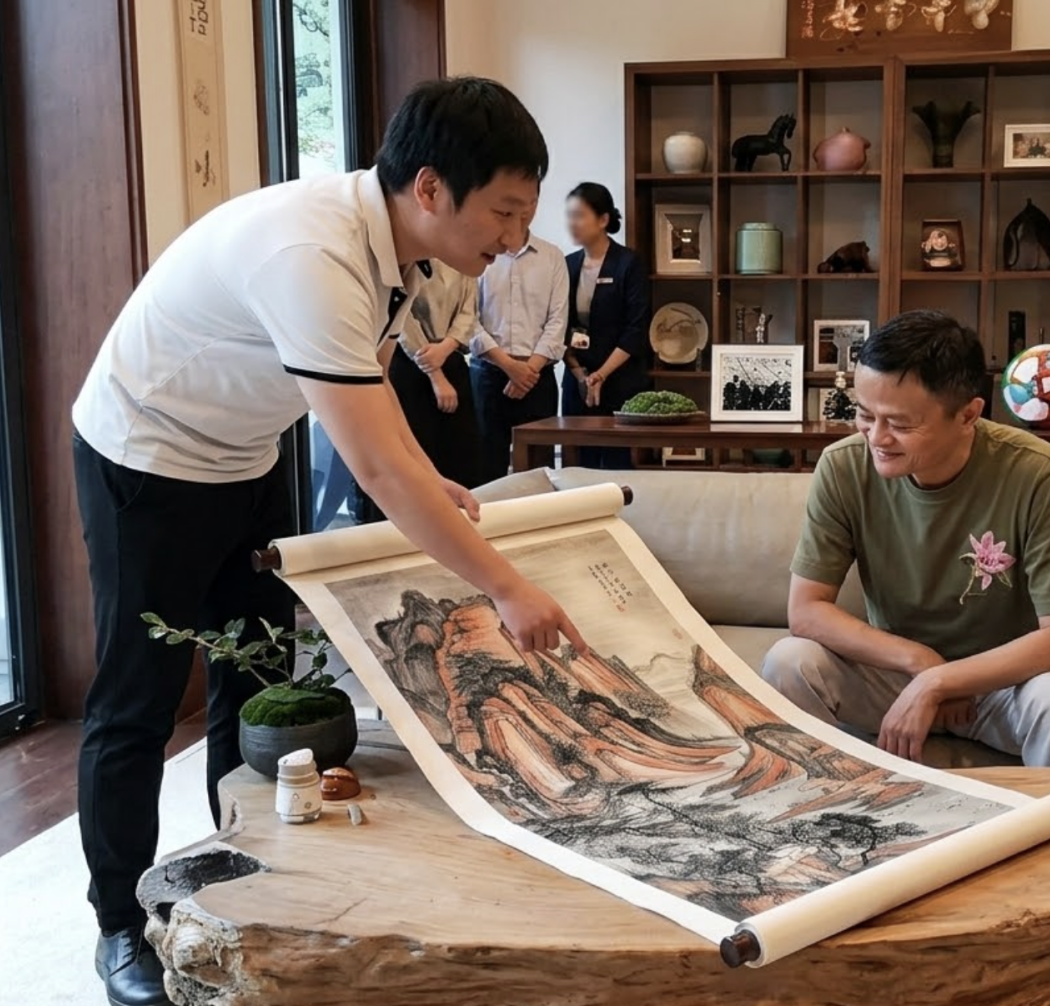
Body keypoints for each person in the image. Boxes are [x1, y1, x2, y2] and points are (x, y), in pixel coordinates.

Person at [68, 76, 586, 1006]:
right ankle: (119, 929)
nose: (515, 238)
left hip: (247, 453)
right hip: (147, 457)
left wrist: (425, 478)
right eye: (505, 212)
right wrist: (507, 587)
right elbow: (377, 471)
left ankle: (237, 880)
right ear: (430, 188)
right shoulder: (311, 251)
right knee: (138, 701)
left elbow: (371, 401)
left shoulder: (402, 255)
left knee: (259, 677)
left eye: (526, 215)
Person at [760, 309, 1050, 769]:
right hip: (896, 676)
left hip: (1007, 685)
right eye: (865, 414)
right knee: (789, 662)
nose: (876, 438)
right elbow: (806, 612)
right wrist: (920, 663)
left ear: (968, 415)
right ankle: (815, 809)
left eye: (900, 424)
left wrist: (941, 682)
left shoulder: (1039, 473)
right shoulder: (843, 467)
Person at [351, 258, 486, 525]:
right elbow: (402, 318)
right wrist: (435, 373)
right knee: (409, 456)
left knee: (460, 455)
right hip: (407, 362)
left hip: (451, 359)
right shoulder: (409, 258)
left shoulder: (464, 258)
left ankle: (455, 528)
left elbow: (468, 314)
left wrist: (446, 348)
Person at [468, 198, 569, 483]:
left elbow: (557, 321)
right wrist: (510, 366)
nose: (522, 210)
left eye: (530, 201)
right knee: (486, 468)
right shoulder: (478, 254)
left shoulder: (552, 256)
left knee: (539, 471)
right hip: (489, 374)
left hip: (538, 377)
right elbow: (468, 319)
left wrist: (528, 370)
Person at [560, 182, 652, 469]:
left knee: (616, 463)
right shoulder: (566, 265)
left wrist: (600, 375)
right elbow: (558, 325)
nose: (572, 223)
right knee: (578, 465)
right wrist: (579, 373)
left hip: (619, 377)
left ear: (603, 220)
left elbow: (635, 329)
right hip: (577, 376)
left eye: (579, 215)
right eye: (569, 216)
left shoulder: (629, 263)